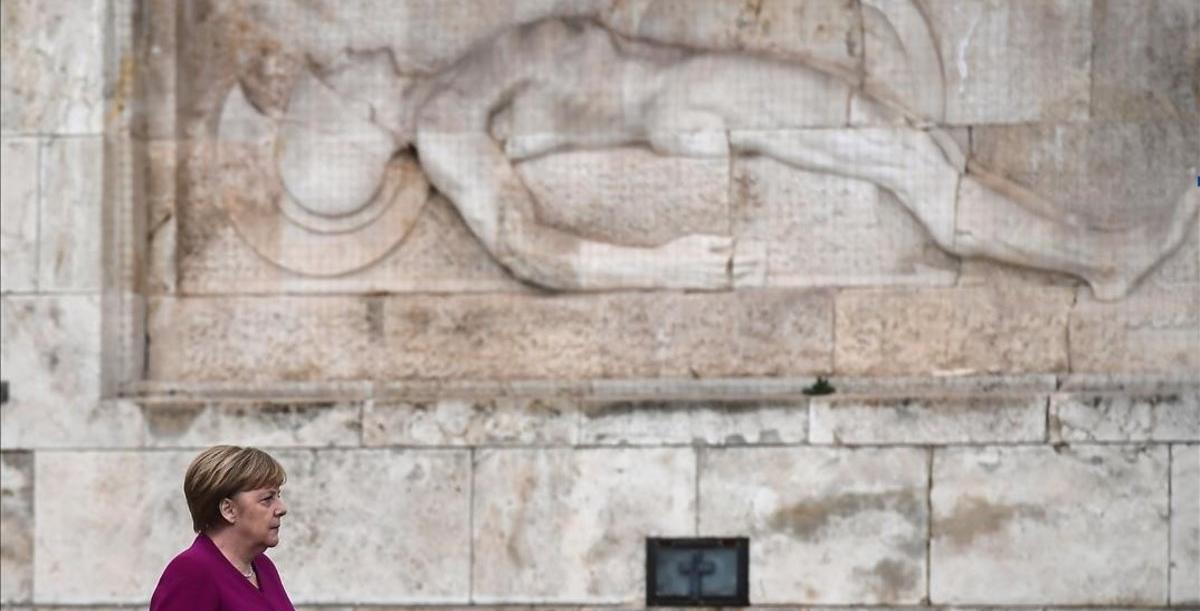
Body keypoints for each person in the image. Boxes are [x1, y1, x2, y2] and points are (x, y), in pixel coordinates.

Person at [255, 16, 1196, 299]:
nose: (348, 53)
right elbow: (525, 246)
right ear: (365, 115)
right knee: (905, 155)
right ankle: (1101, 259)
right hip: (690, 97)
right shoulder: (451, 121)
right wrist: (659, 267)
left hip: (692, 88)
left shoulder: (454, 81)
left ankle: (1094, 255)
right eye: (338, 76)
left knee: (905, 152)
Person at [149, 445, 310, 611]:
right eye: (267, 499)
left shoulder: (263, 568)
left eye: (279, 496)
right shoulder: (191, 574)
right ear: (228, 510)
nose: (281, 508)